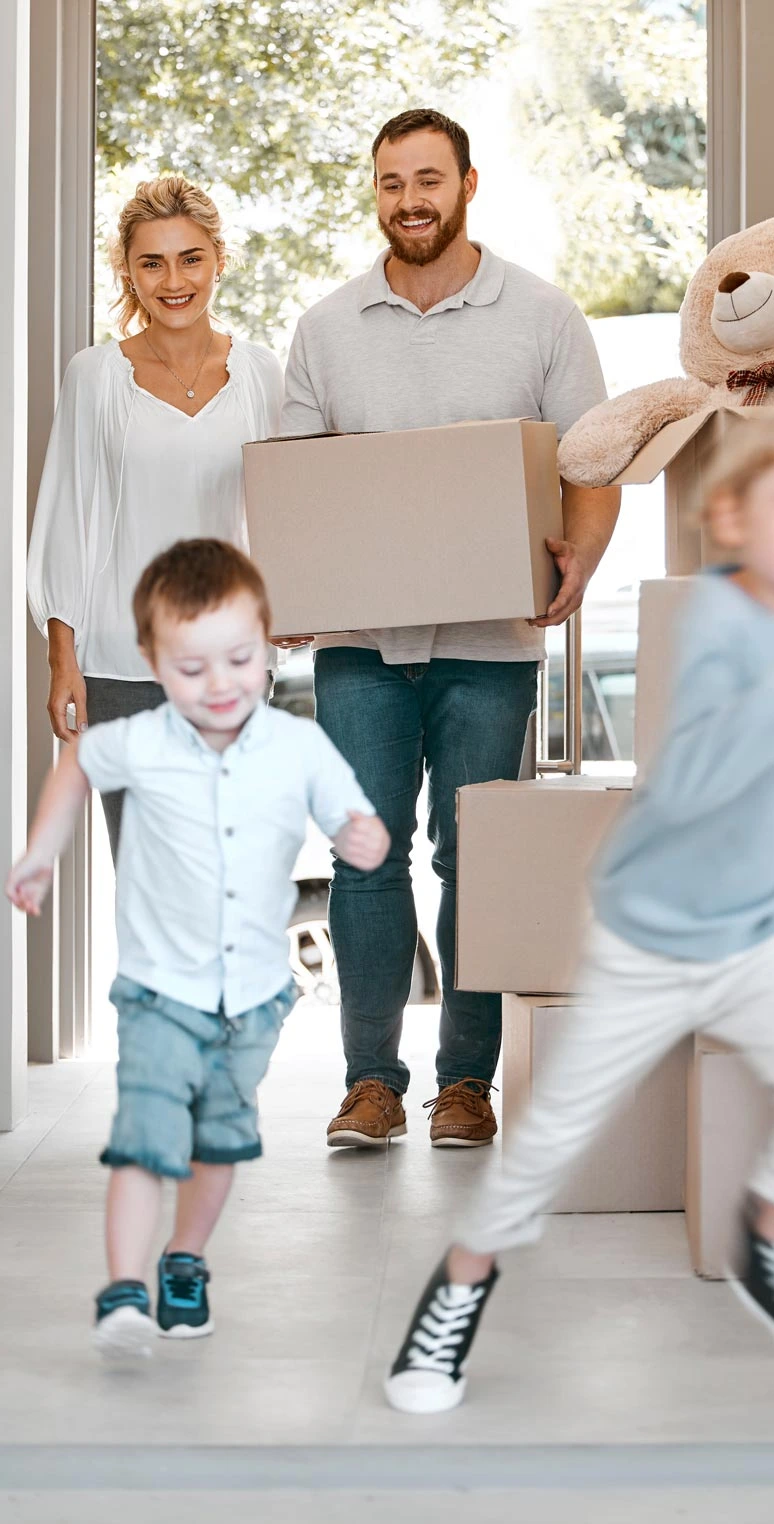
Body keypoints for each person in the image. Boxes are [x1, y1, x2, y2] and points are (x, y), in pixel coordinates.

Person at [384, 394, 774, 1414]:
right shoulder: (718, 619)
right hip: (653, 934)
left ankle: (773, 1248)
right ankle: (458, 1287)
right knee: (551, 1142)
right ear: (738, 521)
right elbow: (701, 775)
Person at [279, 108, 622, 1151]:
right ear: (374, 190)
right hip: (362, 649)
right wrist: (295, 582)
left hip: (491, 643)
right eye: (392, 183)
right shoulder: (328, 329)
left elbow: (593, 461)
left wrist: (583, 556)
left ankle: (465, 1083)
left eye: (429, 179)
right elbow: (299, 489)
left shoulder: (543, 316)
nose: (411, 201)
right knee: (364, 860)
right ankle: (370, 1086)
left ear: (470, 183)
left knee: (476, 862)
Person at [6, 540, 389, 1359]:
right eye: (191, 669)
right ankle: (121, 1290)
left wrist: (364, 837)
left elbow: (355, 819)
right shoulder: (141, 739)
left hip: (250, 1002)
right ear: (151, 663)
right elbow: (78, 763)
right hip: (156, 991)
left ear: (268, 642)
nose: (219, 686)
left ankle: (185, 1261)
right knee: (146, 1135)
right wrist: (42, 851)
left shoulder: (298, 748)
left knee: (218, 1142)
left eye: (240, 661)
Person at [27, 175, 284, 861]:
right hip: (119, 663)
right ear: (128, 273)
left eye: (190, 257)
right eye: (152, 262)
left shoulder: (263, 374)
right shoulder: (95, 376)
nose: (174, 280)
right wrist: (62, 659)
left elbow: (283, 513)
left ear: (219, 260)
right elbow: (65, 518)